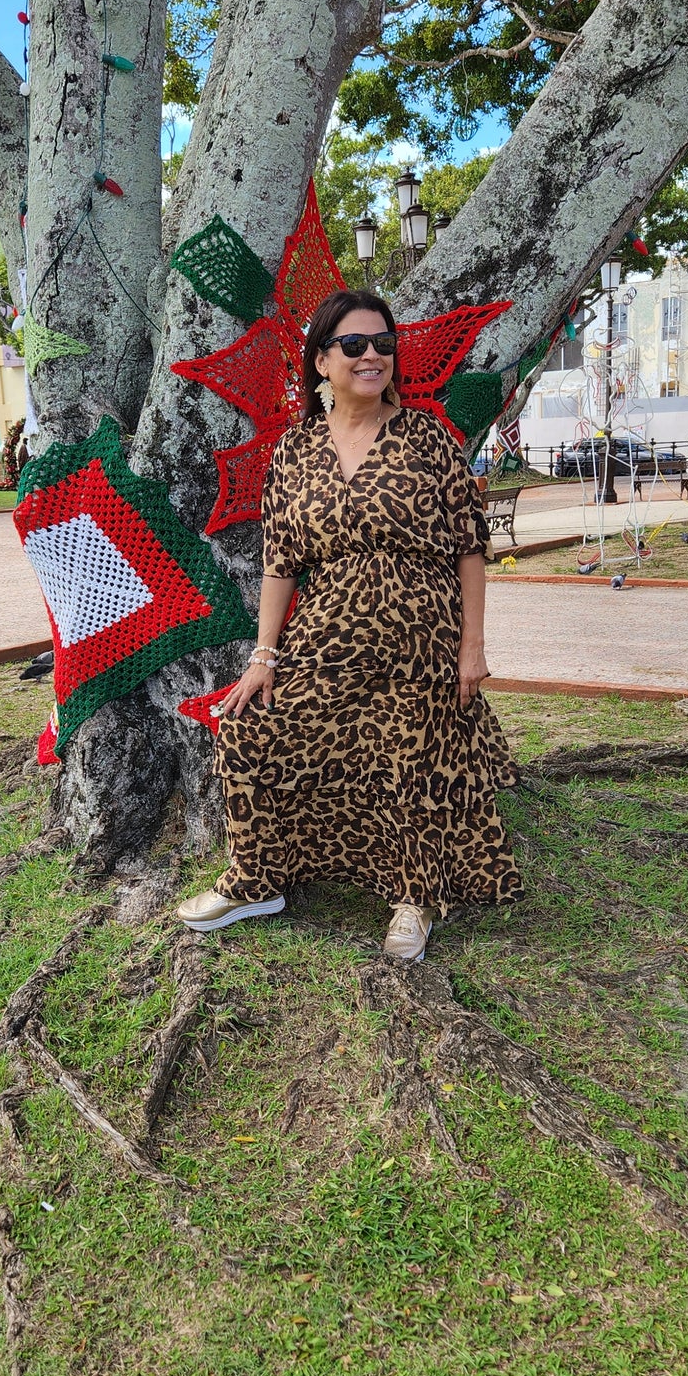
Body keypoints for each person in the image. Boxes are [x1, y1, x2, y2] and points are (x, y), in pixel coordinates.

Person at [177, 288, 522, 962]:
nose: (373, 357)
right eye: (355, 345)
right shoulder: (296, 450)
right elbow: (280, 562)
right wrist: (263, 655)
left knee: (411, 758)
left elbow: (467, 548)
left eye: (384, 344)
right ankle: (256, 879)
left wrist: (471, 647)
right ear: (320, 362)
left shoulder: (427, 437)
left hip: (420, 631)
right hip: (326, 632)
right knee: (248, 729)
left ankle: (413, 898)